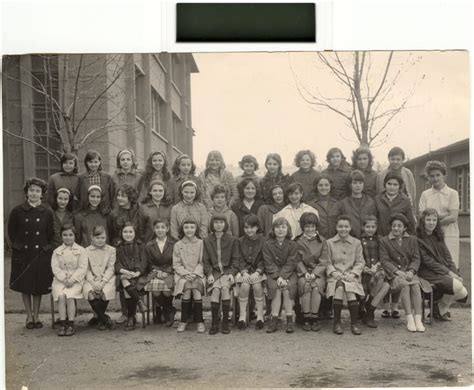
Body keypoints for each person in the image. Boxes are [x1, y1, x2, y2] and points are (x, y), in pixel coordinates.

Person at [8, 177, 54, 329]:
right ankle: (28, 317)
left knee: (37, 287)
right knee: (25, 286)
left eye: (37, 191)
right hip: (23, 254)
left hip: (40, 253)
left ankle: (37, 315)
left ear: (42, 194)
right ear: (26, 193)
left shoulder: (47, 212)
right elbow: (11, 232)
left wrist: (46, 249)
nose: (34, 194)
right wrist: (18, 247)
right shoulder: (17, 211)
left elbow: (51, 233)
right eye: (31, 190)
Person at [417, 208, 468, 321]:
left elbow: (448, 257)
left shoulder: (438, 236)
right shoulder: (418, 238)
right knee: (457, 286)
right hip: (427, 272)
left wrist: (455, 273)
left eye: (434, 220)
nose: (431, 223)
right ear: (423, 221)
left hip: (441, 271)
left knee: (463, 292)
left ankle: (439, 308)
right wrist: (449, 273)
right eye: (428, 219)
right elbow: (427, 262)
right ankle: (440, 310)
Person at [379, 213, 425, 332]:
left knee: (415, 286)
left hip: (409, 271)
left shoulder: (412, 239)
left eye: (399, 226)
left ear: (404, 228)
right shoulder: (384, 241)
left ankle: (418, 318)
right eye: (394, 226)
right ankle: (409, 318)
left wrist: (411, 270)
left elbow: (416, 258)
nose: (396, 228)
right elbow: (384, 260)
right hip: (393, 274)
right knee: (405, 286)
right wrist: (397, 271)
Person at [326, 215, 365, 335]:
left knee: (350, 290)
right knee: (338, 288)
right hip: (335, 276)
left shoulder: (356, 243)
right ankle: (337, 323)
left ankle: (354, 324)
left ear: (350, 227)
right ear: (336, 227)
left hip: (350, 275)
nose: (343, 229)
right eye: (340, 226)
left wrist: (353, 274)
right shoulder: (329, 243)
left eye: (346, 227)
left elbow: (360, 261)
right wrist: (334, 272)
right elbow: (327, 262)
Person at [419, 160, 460, 269]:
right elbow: (422, 217)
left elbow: (453, 217)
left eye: (438, 175)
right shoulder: (425, 194)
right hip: (430, 235)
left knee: (451, 264)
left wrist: (433, 219)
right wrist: (444, 214)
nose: (435, 178)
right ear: (428, 177)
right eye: (432, 176)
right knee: (435, 265)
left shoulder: (453, 193)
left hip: (449, 233)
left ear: (444, 175)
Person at [203, 214, 240, 335]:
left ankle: (225, 322)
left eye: (221, 222)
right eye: (216, 222)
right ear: (212, 224)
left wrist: (232, 273)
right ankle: (214, 323)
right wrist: (209, 274)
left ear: (225, 224)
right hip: (214, 272)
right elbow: (206, 261)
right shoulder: (207, 240)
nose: (218, 225)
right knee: (215, 290)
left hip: (227, 271)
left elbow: (236, 259)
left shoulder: (232, 239)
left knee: (224, 288)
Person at [51, 224, 88, 336]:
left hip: (75, 280)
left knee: (70, 296)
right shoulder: (57, 251)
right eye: (65, 235)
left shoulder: (81, 250)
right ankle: (63, 324)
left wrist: (72, 280)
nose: (68, 237)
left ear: (75, 236)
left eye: (70, 235)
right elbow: (55, 267)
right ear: (61, 236)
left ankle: (71, 324)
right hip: (60, 280)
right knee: (61, 296)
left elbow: (82, 267)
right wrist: (63, 278)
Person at [263, 217, 298, 334]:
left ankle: (289, 319)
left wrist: (283, 276)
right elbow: (268, 262)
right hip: (274, 274)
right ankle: (274, 320)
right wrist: (278, 277)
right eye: (277, 227)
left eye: (283, 227)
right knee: (275, 288)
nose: (280, 230)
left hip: (289, 273)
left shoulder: (292, 244)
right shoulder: (268, 244)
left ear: (288, 229)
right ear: (273, 230)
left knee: (287, 288)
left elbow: (292, 261)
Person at [295, 213, 328, 332]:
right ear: (303, 227)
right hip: (302, 272)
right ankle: (306, 317)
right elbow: (297, 260)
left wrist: (315, 273)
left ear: (316, 227)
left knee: (315, 287)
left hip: (317, 272)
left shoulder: (322, 241)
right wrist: (304, 273)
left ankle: (314, 317)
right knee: (305, 285)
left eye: (312, 226)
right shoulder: (298, 241)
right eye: (307, 227)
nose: (310, 229)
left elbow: (324, 260)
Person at [173, 218, 206, 333]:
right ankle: (183, 320)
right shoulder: (178, 244)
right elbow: (176, 264)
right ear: (182, 229)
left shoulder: (201, 243)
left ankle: (200, 321)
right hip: (183, 275)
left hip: (198, 274)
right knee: (186, 289)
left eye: (192, 227)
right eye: (186, 227)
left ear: (196, 229)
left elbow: (202, 262)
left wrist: (195, 273)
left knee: (196, 289)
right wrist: (186, 274)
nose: (189, 230)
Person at [115, 223, 148, 331]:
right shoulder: (119, 247)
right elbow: (117, 263)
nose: (128, 234)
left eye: (130, 232)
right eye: (125, 232)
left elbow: (144, 261)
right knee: (124, 278)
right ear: (121, 233)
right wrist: (125, 271)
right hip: (126, 273)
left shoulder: (141, 245)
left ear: (135, 233)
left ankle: (131, 317)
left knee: (126, 285)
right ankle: (139, 303)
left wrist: (138, 272)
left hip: (139, 275)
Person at [236, 214, 266, 330]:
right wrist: (244, 272)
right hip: (244, 272)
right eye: (246, 228)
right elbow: (238, 258)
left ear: (257, 227)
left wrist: (258, 272)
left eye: (252, 227)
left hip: (258, 272)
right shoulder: (240, 241)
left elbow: (264, 259)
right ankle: (242, 316)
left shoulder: (263, 241)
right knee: (244, 286)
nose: (249, 230)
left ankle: (260, 316)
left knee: (257, 286)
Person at [143, 219, 176, 326]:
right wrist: (157, 272)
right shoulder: (149, 245)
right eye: (157, 227)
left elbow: (175, 260)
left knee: (166, 291)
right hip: (155, 271)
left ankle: (166, 310)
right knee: (156, 290)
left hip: (170, 272)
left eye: (163, 227)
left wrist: (167, 271)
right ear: (154, 229)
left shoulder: (173, 243)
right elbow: (149, 263)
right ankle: (169, 310)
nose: (160, 230)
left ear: (167, 229)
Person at [83, 225, 116, 331]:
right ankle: (104, 319)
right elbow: (86, 269)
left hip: (106, 278)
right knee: (90, 294)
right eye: (97, 238)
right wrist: (93, 282)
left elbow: (111, 268)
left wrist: (103, 282)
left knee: (105, 293)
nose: (100, 240)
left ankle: (98, 317)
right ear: (92, 237)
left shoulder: (111, 250)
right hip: (91, 279)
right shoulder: (86, 250)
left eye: (103, 238)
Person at [359, 216, 390, 328]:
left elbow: (383, 256)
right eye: (367, 226)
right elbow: (358, 257)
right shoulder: (359, 240)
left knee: (382, 279)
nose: (370, 229)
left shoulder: (380, 240)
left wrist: (377, 265)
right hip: (363, 270)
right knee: (364, 285)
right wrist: (364, 267)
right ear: (363, 227)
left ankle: (370, 309)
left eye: (373, 227)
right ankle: (362, 307)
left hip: (377, 268)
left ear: (376, 227)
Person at [374, 172, 416, 237]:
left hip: (398, 239)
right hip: (381, 237)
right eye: (389, 184)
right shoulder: (377, 199)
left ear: (400, 186)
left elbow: (411, 224)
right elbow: (374, 219)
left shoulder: (405, 200)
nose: (392, 187)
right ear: (385, 184)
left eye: (395, 184)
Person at [339, 170, 377, 238]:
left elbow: (374, 221)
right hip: (350, 239)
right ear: (350, 185)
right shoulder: (344, 203)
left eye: (360, 183)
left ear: (364, 184)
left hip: (367, 238)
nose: (358, 185)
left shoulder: (370, 202)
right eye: (355, 183)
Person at [307, 175, 340, 240]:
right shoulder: (311, 206)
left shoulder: (337, 204)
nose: (324, 187)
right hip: (318, 241)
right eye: (320, 185)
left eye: (326, 185)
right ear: (316, 187)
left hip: (335, 241)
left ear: (330, 186)